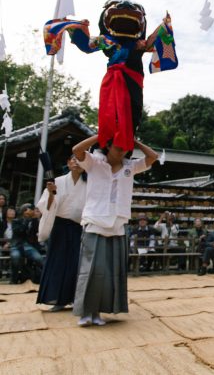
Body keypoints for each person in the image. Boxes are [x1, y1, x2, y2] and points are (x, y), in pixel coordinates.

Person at [72, 134, 158, 327]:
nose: (122, 150)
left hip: (118, 224)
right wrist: (99, 135)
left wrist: (134, 141)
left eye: (126, 148)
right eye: (118, 146)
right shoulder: (94, 161)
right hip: (95, 220)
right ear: (108, 146)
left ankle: (99, 312)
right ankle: (85, 312)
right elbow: (77, 150)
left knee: (109, 272)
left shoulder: (130, 165)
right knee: (92, 270)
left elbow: (153, 157)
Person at [36, 155, 87, 311]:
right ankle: (56, 299)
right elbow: (45, 206)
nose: (76, 162)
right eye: (73, 159)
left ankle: (72, 299)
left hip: (78, 227)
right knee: (57, 262)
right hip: (59, 226)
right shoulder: (58, 181)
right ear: (68, 162)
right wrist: (51, 193)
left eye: (80, 160)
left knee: (75, 264)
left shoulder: (89, 184)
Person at [9, 203, 44, 284]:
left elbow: (37, 232)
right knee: (15, 257)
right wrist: (27, 220)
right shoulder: (16, 221)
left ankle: (41, 278)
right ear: (24, 211)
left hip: (28, 246)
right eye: (30, 209)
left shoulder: (34, 221)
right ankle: (13, 279)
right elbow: (19, 231)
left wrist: (35, 219)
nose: (32, 211)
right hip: (16, 245)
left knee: (39, 259)